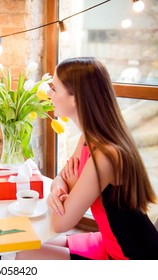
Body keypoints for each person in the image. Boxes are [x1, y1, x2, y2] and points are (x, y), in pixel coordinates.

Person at [16, 57, 158, 260]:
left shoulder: (105, 157)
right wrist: (58, 188)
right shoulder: (89, 137)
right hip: (108, 241)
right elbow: (64, 177)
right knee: (29, 243)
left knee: (26, 255)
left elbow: (60, 223)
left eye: (54, 89)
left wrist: (62, 190)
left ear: (76, 98)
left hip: (129, 255)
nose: (49, 94)